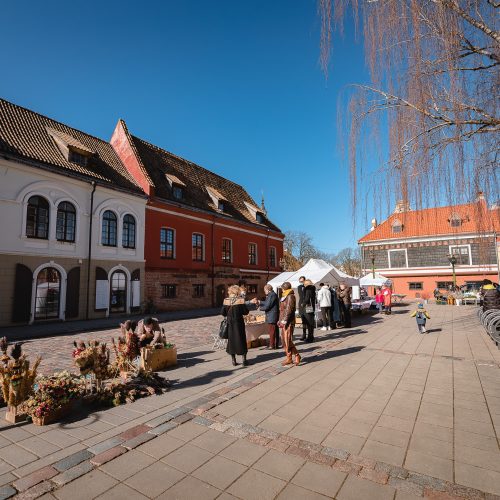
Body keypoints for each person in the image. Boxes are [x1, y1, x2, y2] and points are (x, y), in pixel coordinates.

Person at [222, 284, 250, 366]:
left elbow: (223, 313)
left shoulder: (226, 300)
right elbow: (246, 312)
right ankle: (244, 360)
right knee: (241, 340)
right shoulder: (240, 300)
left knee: (231, 341)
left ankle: (233, 360)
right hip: (239, 323)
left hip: (230, 323)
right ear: (237, 291)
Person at [278, 282, 300, 366]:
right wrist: (279, 320)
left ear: (284, 288)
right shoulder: (284, 296)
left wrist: (285, 320)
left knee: (288, 340)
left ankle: (297, 355)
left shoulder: (290, 296)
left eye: (282, 288)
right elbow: (282, 310)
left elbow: (289, 309)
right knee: (284, 340)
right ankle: (289, 358)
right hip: (284, 321)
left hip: (289, 321)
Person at [259, 284, 280, 349]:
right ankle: (274, 344)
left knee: (272, 331)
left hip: (272, 315)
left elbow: (268, 305)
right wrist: (260, 302)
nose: (264, 291)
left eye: (264, 290)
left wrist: (260, 308)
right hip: (272, 315)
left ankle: (272, 345)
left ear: (267, 289)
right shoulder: (271, 295)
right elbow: (267, 302)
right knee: (274, 330)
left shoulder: (272, 295)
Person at [297, 276, 307, 340]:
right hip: (301, 305)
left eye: (302, 281)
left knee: (308, 320)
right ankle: (304, 335)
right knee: (303, 320)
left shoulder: (307, 287)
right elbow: (301, 295)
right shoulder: (299, 287)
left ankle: (310, 335)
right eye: (300, 281)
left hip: (307, 305)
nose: (301, 282)